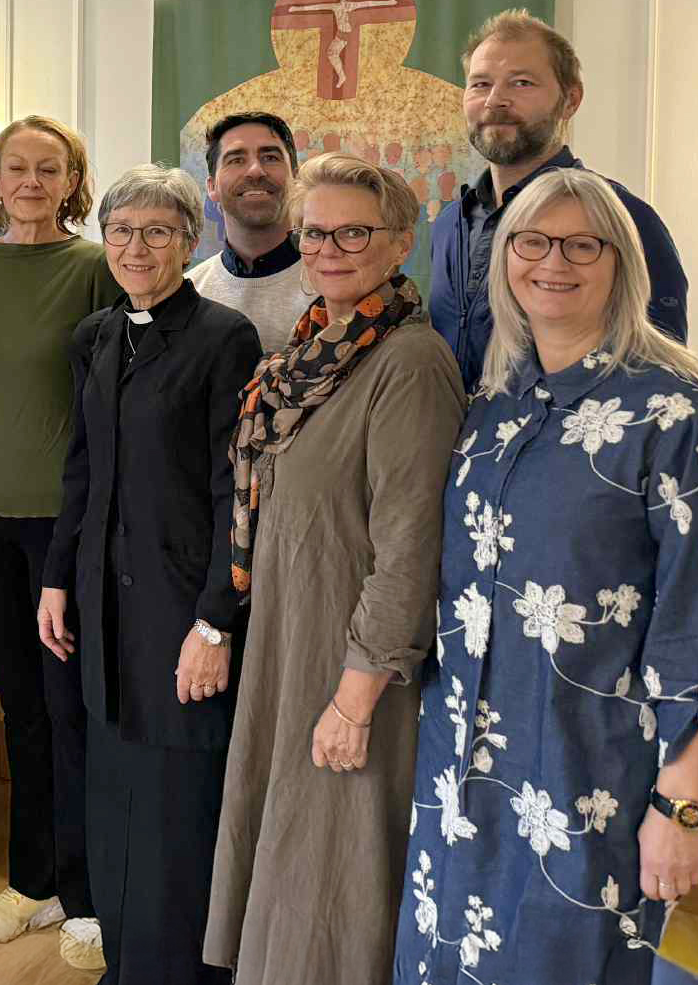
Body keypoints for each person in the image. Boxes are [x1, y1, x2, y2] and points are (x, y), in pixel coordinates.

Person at [393, 167, 698, 983]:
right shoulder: (495, 399)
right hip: (462, 766)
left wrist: (680, 807)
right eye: (532, 241)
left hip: (590, 778)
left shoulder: (672, 412)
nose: (551, 261)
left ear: (620, 263)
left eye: (581, 244)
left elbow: (692, 625)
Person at [202, 153, 465, 985]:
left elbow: (411, 546)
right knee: (289, 857)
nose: (331, 246)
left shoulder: (410, 363)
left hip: (352, 666)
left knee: (332, 875)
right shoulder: (314, 351)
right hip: (287, 642)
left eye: (355, 230)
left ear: (398, 242)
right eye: (317, 230)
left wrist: (354, 700)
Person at [40, 165, 261, 984]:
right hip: (100, 606)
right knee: (113, 799)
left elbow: (236, 493)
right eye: (122, 231)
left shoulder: (222, 338)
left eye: (158, 231)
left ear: (189, 240)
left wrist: (215, 620)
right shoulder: (94, 335)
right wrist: (56, 577)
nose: (137, 247)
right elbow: (82, 469)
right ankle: (126, 964)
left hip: (180, 613)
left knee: (175, 810)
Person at [0, 115, 122, 967]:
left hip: (62, 520)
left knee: (68, 704)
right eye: (16, 167)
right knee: (21, 703)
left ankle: (85, 891)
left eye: (48, 168)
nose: (30, 180)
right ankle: (31, 876)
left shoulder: (94, 268)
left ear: (71, 180)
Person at [431, 8, 687, 391]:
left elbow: (661, 376)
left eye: (521, 83)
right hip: (460, 448)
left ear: (570, 101)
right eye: (480, 84)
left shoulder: (623, 217)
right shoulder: (451, 222)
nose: (495, 101)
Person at [185, 112, 304, 353]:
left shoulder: (335, 286)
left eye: (270, 157)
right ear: (212, 187)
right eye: (236, 160)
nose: (255, 171)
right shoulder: (188, 294)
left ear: (296, 177)